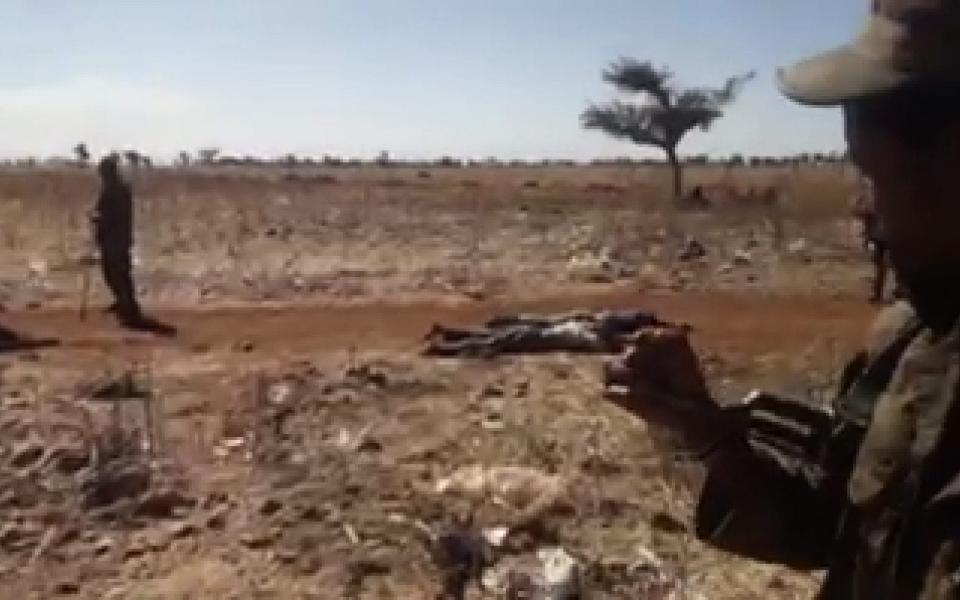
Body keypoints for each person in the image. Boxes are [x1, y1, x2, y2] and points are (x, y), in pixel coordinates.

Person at [602, 1, 960, 597]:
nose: (861, 209)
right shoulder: (914, 336)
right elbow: (836, 531)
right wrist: (705, 430)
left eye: (874, 172)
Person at [93, 156, 175, 336]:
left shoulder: (117, 191)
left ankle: (128, 307)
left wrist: (99, 220)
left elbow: (112, 216)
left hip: (116, 240)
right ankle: (122, 303)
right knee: (112, 273)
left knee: (119, 274)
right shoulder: (112, 190)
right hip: (112, 240)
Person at [424, 310, 664, 357]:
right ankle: (445, 342)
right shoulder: (603, 332)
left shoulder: (599, 325)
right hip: (550, 334)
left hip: (549, 333)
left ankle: (447, 339)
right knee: (498, 341)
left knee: (499, 339)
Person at [851, 178, 894, 303]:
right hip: (879, 235)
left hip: (883, 234)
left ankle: (884, 293)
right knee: (881, 264)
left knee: (884, 264)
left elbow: (859, 211)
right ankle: (881, 293)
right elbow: (857, 211)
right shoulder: (870, 198)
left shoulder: (875, 198)